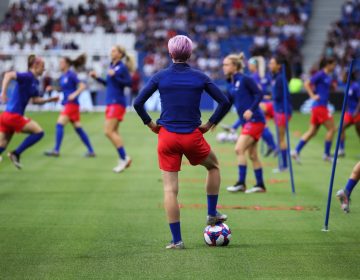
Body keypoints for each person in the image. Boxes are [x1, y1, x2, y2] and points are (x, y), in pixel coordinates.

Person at [134, 35, 230, 249]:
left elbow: (138, 102)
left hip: (167, 137)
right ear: (190, 53)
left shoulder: (160, 76)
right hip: (192, 135)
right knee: (213, 166)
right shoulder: (200, 76)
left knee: (170, 191)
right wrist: (211, 123)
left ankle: (177, 240)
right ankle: (212, 213)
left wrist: (150, 124)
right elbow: (223, 102)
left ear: (170, 53)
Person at [0, 55, 59, 169]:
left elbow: (35, 100)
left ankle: (15, 153)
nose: (44, 69)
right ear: (35, 65)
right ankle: (16, 153)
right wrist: (4, 92)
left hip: (6, 116)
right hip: (13, 116)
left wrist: (49, 99)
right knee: (39, 132)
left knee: (2, 145)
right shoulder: (27, 76)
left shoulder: (35, 82)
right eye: (42, 66)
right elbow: (8, 75)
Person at [224, 53, 266, 194]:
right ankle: (260, 185)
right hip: (247, 123)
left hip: (255, 120)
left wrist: (251, 109)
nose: (223, 67)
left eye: (226, 64)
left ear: (235, 66)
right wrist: (213, 121)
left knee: (239, 149)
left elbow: (259, 94)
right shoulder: (232, 83)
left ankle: (241, 183)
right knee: (253, 155)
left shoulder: (245, 79)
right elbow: (227, 105)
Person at [90, 45, 133, 173]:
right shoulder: (112, 66)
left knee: (108, 131)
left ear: (120, 54)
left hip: (117, 102)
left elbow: (129, 83)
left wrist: (115, 76)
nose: (111, 52)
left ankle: (124, 157)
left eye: (114, 50)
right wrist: (96, 78)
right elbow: (108, 83)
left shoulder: (122, 67)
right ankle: (122, 159)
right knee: (114, 131)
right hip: (110, 102)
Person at [44, 54, 95, 157]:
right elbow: (63, 89)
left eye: (61, 62)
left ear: (66, 64)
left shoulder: (71, 74)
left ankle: (56, 150)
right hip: (70, 105)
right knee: (78, 129)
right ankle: (91, 151)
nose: (60, 64)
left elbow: (82, 85)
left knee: (59, 124)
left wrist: (74, 94)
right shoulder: (63, 76)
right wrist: (53, 88)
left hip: (71, 104)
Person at [292, 57, 337, 162]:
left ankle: (296, 151)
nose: (334, 67)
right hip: (320, 106)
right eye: (333, 64)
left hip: (319, 107)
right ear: (328, 64)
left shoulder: (327, 76)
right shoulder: (320, 74)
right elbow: (307, 83)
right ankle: (326, 154)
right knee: (332, 129)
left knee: (312, 131)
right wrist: (312, 95)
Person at [249, 56, 277, 157]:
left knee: (259, 124)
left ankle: (274, 146)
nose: (249, 67)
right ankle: (272, 146)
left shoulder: (253, 77)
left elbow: (258, 91)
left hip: (262, 104)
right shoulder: (265, 76)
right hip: (268, 104)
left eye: (250, 65)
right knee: (262, 126)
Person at [268, 55, 292, 172]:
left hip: (282, 110)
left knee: (281, 139)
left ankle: (284, 166)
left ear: (278, 66)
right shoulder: (277, 77)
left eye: (272, 63)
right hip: (280, 110)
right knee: (280, 138)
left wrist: (271, 97)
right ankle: (283, 165)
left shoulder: (279, 79)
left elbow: (279, 96)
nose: (270, 65)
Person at [339, 72, 360, 157]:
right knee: (341, 128)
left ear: (348, 76)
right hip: (349, 113)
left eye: (343, 75)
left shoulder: (356, 86)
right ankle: (341, 150)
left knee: (359, 132)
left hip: (357, 112)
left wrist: (356, 111)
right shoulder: (347, 86)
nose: (342, 77)